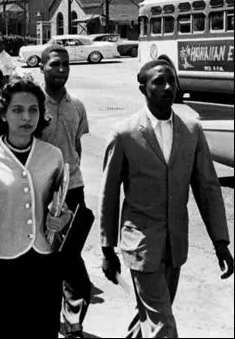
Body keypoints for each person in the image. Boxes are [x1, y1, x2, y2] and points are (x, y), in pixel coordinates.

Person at [100, 60, 234, 338]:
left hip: (175, 246)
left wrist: (220, 242)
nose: (168, 87)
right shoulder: (124, 133)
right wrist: (106, 247)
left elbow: (207, 187)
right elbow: (109, 195)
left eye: (172, 81)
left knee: (151, 318)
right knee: (163, 327)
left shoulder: (192, 129)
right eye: (159, 82)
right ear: (143, 88)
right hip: (140, 246)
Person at [0, 78, 72, 338]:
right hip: (1, 265)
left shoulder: (53, 155)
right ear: (3, 113)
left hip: (44, 263)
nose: (26, 117)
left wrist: (63, 217)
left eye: (33, 110)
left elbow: (61, 204)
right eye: (17, 110)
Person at [39, 45, 92, 338]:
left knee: (70, 255)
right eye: (55, 64)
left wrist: (70, 174)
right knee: (46, 254)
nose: (61, 70)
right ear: (42, 68)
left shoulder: (77, 106)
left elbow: (77, 145)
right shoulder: (34, 104)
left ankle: (73, 319)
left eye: (66, 65)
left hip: (73, 188)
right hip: (41, 191)